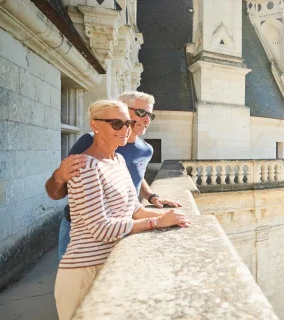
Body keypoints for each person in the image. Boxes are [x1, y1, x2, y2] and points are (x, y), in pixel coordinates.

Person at [54, 100, 190, 320]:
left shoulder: (117, 160)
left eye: (127, 123)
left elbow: (134, 208)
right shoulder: (84, 165)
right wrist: (156, 223)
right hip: (85, 271)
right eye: (116, 123)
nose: (126, 129)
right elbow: (101, 228)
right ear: (95, 125)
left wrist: (164, 214)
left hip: (109, 266)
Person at [45, 91, 182, 261]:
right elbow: (57, 191)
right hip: (84, 231)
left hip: (128, 225)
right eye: (141, 113)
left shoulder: (146, 149)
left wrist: (152, 196)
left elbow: (137, 175)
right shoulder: (89, 142)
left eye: (150, 115)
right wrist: (58, 177)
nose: (147, 119)